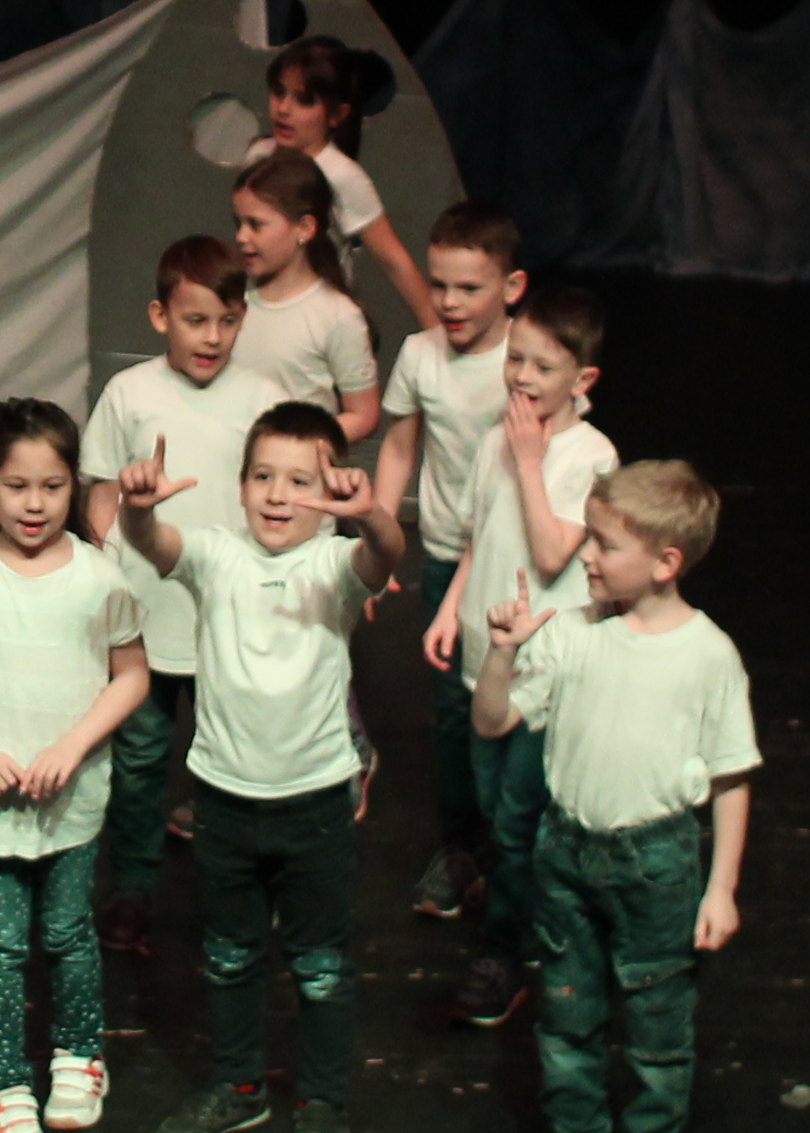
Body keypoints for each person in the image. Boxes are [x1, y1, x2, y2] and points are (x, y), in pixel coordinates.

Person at [107, 401, 406, 1133]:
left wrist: (372, 516)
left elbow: (386, 552)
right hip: (225, 804)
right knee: (230, 957)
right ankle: (239, 1088)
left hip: (315, 806)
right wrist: (136, 510)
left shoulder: (335, 564)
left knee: (320, 968)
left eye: (301, 481)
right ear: (240, 486)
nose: (278, 494)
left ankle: (324, 1105)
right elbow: (154, 543)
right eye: (263, 476)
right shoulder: (215, 554)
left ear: (331, 492)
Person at [476, 460, 759, 1133]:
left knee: (658, 1031)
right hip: (567, 853)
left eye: (604, 544)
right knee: (567, 1015)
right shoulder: (573, 634)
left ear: (666, 561)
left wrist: (721, 888)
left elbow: (732, 774)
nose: (587, 556)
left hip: (656, 863)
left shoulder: (707, 654)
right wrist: (501, 652)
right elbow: (494, 722)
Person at [0, 397, 149, 1133]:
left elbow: (131, 674)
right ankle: (6, 1090)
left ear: (74, 484)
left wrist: (73, 746)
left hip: (71, 799)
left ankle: (79, 1057)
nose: (35, 504)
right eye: (17, 486)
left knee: (69, 931)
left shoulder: (98, 576)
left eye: (52, 486)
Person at [417, 288, 620, 1029]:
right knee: (492, 802)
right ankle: (515, 903)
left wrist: (531, 460)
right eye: (517, 359)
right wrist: (451, 606)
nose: (523, 377)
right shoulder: (496, 438)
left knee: (518, 817)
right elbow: (482, 536)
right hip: (488, 657)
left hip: (544, 674)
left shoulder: (591, 455)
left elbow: (552, 549)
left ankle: (505, 952)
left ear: (582, 380)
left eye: (543, 366)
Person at [76, 236, 269, 955]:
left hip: (227, 623)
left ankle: (235, 896)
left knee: (233, 770)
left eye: (226, 320)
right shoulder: (130, 394)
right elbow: (99, 488)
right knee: (137, 764)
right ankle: (132, 889)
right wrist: (107, 563)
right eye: (195, 320)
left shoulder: (263, 399)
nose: (212, 337)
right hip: (146, 622)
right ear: (161, 316)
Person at [370, 202, 527, 920]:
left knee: (521, 703)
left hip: (517, 559)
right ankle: (462, 847)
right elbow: (400, 446)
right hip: (443, 554)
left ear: (511, 287)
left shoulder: (526, 359)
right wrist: (377, 539)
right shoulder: (421, 355)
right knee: (454, 708)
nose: (450, 302)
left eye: (469, 287)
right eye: (439, 285)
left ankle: (516, 848)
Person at [245, 34, 443, 338]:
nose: (284, 108)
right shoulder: (258, 157)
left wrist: (439, 337)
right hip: (265, 312)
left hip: (321, 326)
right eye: (279, 93)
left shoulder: (342, 175)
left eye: (304, 100)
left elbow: (393, 261)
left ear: (337, 114)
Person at [229, 151, 379, 445]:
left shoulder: (336, 315)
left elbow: (363, 414)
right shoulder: (232, 300)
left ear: (305, 228)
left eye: (256, 224)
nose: (241, 236)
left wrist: (297, 447)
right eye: (239, 224)